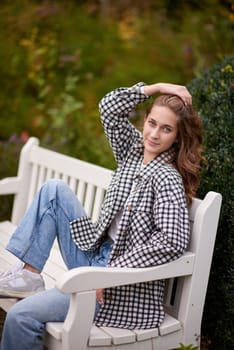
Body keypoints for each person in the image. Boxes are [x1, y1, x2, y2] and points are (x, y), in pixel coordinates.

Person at [0, 81, 204, 350]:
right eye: (152, 123)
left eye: (166, 129)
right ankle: (30, 275)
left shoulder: (166, 178)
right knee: (54, 190)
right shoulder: (133, 153)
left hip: (117, 286)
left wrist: (110, 272)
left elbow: (172, 242)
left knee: (20, 316)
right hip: (94, 256)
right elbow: (108, 108)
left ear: (177, 137)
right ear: (145, 120)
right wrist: (156, 87)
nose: (154, 134)